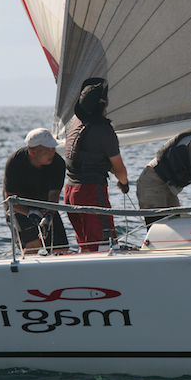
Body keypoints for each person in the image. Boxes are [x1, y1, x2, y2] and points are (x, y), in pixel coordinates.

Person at [63, 77, 129, 252]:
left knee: (86, 246)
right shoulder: (103, 130)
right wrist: (124, 183)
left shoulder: (74, 121)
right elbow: (120, 170)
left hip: (69, 192)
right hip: (90, 192)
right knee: (103, 247)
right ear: (104, 104)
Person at [2, 128, 69, 254]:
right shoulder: (15, 162)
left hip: (46, 204)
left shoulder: (58, 163)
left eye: (53, 149)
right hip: (19, 205)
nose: (52, 153)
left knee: (61, 248)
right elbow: (9, 197)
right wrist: (30, 212)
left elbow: (54, 194)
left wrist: (49, 215)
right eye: (47, 150)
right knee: (33, 244)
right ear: (33, 152)